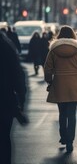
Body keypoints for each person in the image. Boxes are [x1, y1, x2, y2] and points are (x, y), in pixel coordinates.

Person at [44, 25, 77, 153]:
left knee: (62, 113)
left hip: (59, 84)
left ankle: (63, 136)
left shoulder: (53, 49)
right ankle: (70, 140)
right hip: (75, 84)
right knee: (72, 114)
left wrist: (50, 81)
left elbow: (47, 68)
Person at [0, 31, 27, 164]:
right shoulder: (6, 46)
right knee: (4, 138)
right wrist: (21, 100)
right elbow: (18, 75)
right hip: (5, 101)